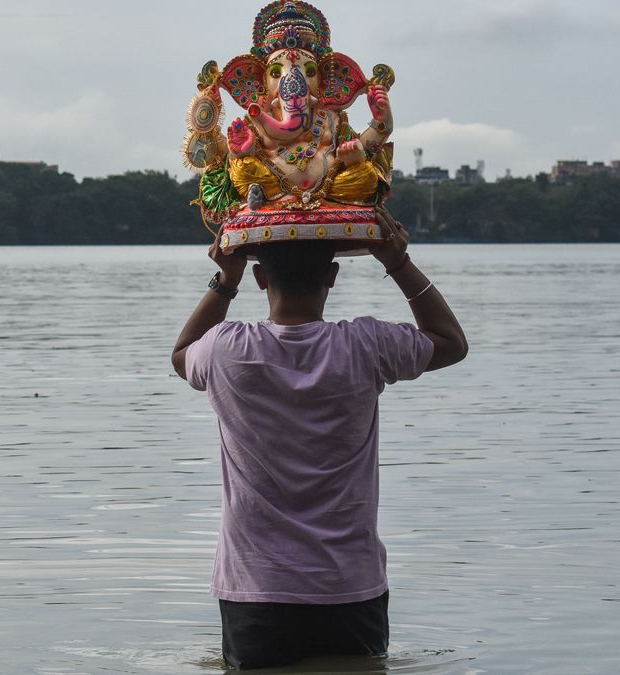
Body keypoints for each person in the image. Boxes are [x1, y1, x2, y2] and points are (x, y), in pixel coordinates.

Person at [170, 208, 468, 670]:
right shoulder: (366, 345)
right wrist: (398, 263)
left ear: (260, 278)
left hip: (256, 590)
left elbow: (179, 356)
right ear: (333, 276)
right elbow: (450, 343)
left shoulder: (226, 348)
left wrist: (224, 279)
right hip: (350, 587)